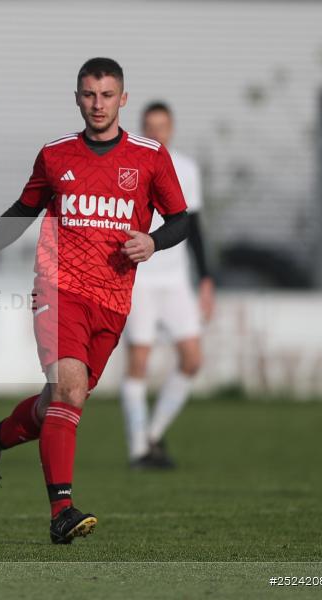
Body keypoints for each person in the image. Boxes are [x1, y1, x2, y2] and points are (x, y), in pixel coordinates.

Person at [0, 58, 189, 544]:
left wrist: (154, 242)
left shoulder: (150, 156)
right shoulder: (56, 155)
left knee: (61, 402)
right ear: (77, 97)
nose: (98, 104)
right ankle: (61, 511)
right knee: (67, 389)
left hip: (112, 300)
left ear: (122, 99)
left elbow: (181, 220)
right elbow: (24, 208)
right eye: (89, 94)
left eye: (107, 95)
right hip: (57, 287)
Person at [121, 102, 214, 469]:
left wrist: (205, 279)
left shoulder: (187, 169)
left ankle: (152, 434)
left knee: (192, 359)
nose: (157, 132)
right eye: (150, 126)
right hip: (140, 278)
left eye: (162, 126)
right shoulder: (129, 164)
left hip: (175, 280)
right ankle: (138, 449)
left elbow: (193, 225)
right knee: (139, 361)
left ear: (172, 128)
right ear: (142, 128)